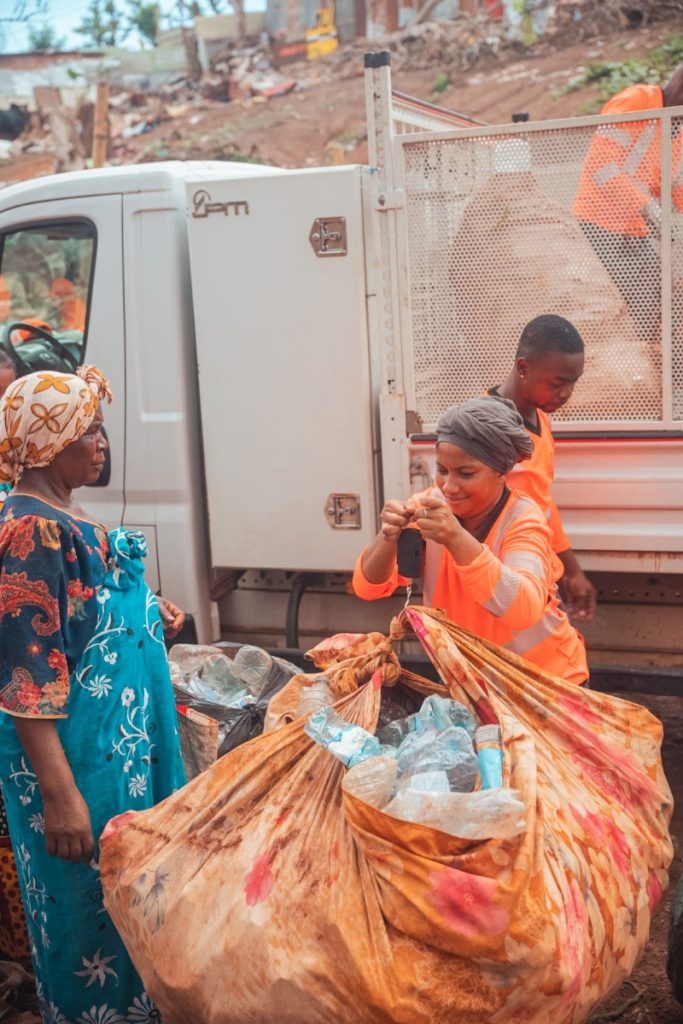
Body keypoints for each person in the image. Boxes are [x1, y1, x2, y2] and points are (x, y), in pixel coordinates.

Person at [0, 366, 186, 1019]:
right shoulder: (30, 532)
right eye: (88, 431)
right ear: (47, 443)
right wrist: (61, 798)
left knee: (132, 895)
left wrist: (147, 612)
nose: (102, 443)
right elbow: (26, 678)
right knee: (89, 912)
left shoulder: (63, 513)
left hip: (120, 751)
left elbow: (80, 611)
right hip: (79, 767)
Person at [353, 397, 588, 685]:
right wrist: (387, 537)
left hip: (546, 683)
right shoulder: (428, 507)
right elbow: (368, 588)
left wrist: (455, 538)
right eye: (442, 470)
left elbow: (523, 609)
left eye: (466, 474)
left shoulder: (523, 520)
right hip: (475, 682)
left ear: (502, 472)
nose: (449, 486)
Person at [488, 314, 597, 622]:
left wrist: (571, 570)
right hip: (508, 591)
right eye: (557, 383)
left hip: (541, 580)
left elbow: (542, 504)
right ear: (523, 368)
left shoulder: (541, 420)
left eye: (573, 383)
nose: (566, 393)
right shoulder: (486, 428)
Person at [572, 63, 683, 341]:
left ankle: (652, 357)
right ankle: (634, 356)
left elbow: (674, 186)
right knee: (628, 308)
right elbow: (600, 165)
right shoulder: (637, 101)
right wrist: (648, 207)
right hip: (598, 224)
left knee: (662, 297)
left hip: (634, 230)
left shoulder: (676, 128)